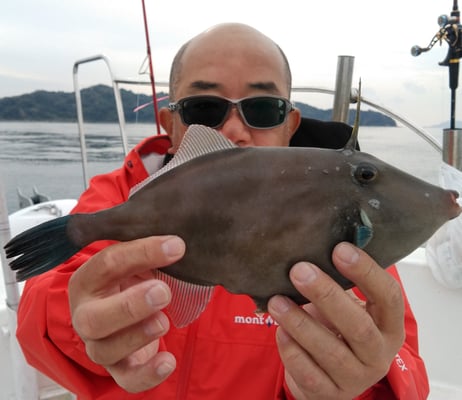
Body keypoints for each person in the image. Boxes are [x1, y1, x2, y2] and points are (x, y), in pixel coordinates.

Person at [16, 23, 429, 399]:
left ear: (290, 125)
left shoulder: (332, 223)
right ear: (171, 124)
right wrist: (86, 325)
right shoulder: (123, 195)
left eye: (263, 109)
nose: (234, 130)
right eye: (204, 109)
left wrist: (353, 382)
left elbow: (401, 366)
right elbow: (40, 315)